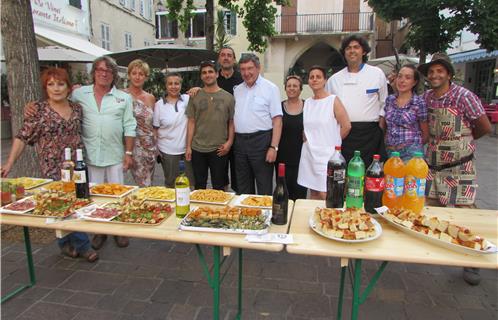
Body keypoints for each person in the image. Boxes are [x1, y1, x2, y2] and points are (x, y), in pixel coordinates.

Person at [2, 67, 98, 262]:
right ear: (45, 88)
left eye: (61, 84)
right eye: (51, 84)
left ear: (68, 88)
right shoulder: (38, 110)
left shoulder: (76, 108)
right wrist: (9, 162)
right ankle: (84, 245)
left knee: (78, 201)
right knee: (65, 202)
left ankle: (65, 244)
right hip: (53, 166)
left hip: (77, 165)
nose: (56, 88)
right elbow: (22, 137)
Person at [417, 53, 492, 286]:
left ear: (449, 74)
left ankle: (473, 261)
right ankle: (432, 249)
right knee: (427, 209)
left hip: (460, 167)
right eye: (431, 71)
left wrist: (463, 145)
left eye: (440, 71)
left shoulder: (464, 96)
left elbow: (484, 126)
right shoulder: (426, 98)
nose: (434, 75)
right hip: (434, 166)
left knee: (465, 213)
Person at [71, 56, 136, 250]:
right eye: (99, 69)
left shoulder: (123, 97)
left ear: (114, 75)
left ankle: (119, 230)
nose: (104, 73)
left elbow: (129, 126)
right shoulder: (79, 94)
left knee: (118, 194)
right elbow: (57, 101)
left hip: (115, 154)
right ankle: (100, 230)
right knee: (94, 195)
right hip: (89, 155)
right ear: (93, 73)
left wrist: (129, 153)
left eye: (108, 70)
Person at [326, 34, 388, 167]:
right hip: (344, 134)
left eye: (356, 47)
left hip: (370, 135)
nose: (352, 51)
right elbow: (328, 109)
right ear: (344, 52)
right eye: (348, 48)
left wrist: (380, 128)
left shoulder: (377, 74)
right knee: (342, 175)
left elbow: (384, 103)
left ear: (363, 51)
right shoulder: (334, 80)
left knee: (370, 176)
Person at [188, 46, 243, 192]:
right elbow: (192, 120)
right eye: (223, 55)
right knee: (200, 184)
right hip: (201, 144)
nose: (226, 57)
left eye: (229, 55)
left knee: (225, 181)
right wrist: (188, 146)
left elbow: (232, 120)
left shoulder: (240, 80)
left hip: (225, 142)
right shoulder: (197, 95)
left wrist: (229, 142)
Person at [297, 66, 351, 200]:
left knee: (326, 193)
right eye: (311, 77)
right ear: (308, 81)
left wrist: (333, 145)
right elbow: (308, 127)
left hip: (328, 154)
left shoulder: (333, 100)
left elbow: (346, 126)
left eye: (318, 77)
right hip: (310, 154)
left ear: (325, 80)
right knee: (313, 192)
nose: (315, 80)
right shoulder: (308, 102)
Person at [233, 53, 282, 195]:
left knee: (264, 186)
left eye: (250, 68)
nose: (246, 73)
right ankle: (246, 215)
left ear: (258, 68)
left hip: (261, 142)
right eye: (242, 69)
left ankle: (265, 216)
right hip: (240, 143)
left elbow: (277, 121)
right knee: (243, 187)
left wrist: (274, 147)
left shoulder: (270, 88)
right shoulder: (237, 90)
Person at [153, 72, 195, 188]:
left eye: (176, 83)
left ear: (181, 85)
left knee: (189, 183)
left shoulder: (187, 99)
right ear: (166, 86)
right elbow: (155, 129)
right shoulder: (159, 105)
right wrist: (156, 149)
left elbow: (203, 92)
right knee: (172, 184)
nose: (173, 86)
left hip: (187, 150)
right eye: (170, 84)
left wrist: (197, 89)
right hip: (168, 151)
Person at [384, 65, 429, 161]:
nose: (402, 80)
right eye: (400, 76)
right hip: (391, 152)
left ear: (414, 82)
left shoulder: (419, 102)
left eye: (408, 78)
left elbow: (425, 133)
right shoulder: (390, 100)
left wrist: (413, 145)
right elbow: (387, 127)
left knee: (410, 176)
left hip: (410, 152)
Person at [124, 59, 157, 187]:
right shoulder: (121, 95)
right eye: (134, 73)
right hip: (131, 144)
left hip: (149, 147)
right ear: (129, 75)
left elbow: (153, 124)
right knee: (142, 183)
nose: (137, 77)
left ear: (146, 77)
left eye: (141, 74)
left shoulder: (150, 98)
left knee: (148, 182)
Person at [276, 75, 308, 200]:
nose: (291, 88)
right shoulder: (278, 107)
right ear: (285, 89)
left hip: (302, 158)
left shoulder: (308, 106)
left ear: (300, 89)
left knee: (300, 193)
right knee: (283, 192)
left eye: (295, 86)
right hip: (282, 158)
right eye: (289, 86)